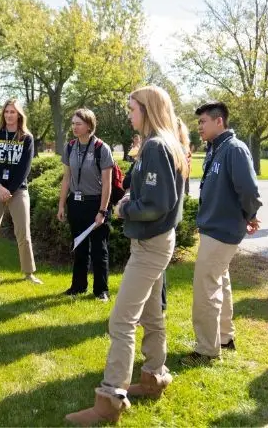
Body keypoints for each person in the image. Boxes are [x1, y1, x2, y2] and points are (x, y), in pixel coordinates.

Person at [65, 86, 189, 426]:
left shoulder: (155, 146)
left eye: (132, 108)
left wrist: (123, 208)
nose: (128, 114)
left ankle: (109, 400)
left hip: (151, 244)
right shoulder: (168, 144)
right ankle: (153, 377)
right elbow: (162, 196)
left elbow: (155, 205)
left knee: (121, 321)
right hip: (159, 240)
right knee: (152, 314)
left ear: (147, 110)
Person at [183, 101, 262, 366]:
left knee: (205, 289)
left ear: (219, 122)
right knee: (221, 284)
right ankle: (225, 338)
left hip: (222, 231)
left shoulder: (234, 149)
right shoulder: (216, 149)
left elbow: (249, 190)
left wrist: (250, 214)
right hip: (213, 228)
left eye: (203, 122)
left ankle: (206, 349)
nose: (199, 127)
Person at [0, 99, 42, 285]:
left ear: (19, 115)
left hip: (18, 189)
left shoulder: (27, 138)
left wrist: (10, 190)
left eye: (12, 112)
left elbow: (25, 167)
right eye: (6, 111)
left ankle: (29, 272)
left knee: (23, 232)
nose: (9, 115)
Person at [57, 108, 114, 302]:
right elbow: (66, 178)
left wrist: (102, 211)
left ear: (89, 126)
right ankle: (78, 287)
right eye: (73, 123)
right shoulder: (70, 147)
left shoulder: (101, 148)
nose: (74, 127)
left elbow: (107, 183)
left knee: (99, 248)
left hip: (95, 204)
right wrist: (62, 205)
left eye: (78, 123)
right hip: (76, 203)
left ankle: (101, 291)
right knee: (79, 246)